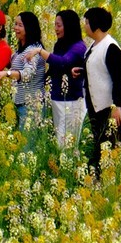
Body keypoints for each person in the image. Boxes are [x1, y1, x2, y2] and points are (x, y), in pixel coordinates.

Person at [27, 9, 86, 150]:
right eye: (55, 25)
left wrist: (40, 51)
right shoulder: (59, 45)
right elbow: (54, 69)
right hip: (56, 98)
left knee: (68, 143)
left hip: (71, 101)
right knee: (59, 141)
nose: (56, 29)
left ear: (69, 26)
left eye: (59, 25)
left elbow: (63, 62)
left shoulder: (79, 47)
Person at [80, 6, 121, 178]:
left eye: (87, 23)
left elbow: (119, 79)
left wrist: (117, 106)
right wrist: (81, 71)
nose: (85, 26)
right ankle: (97, 181)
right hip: (95, 107)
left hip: (108, 108)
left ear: (96, 26)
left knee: (108, 148)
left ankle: (107, 182)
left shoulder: (111, 47)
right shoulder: (94, 46)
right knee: (98, 148)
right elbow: (98, 69)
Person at [0, 11, 46, 139]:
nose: (16, 28)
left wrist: (7, 73)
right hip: (20, 103)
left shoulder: (33, 50)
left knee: (27, 145)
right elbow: (14, 67)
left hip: (30, 105)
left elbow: (27, 74)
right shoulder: (21, 50)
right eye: (15, 24)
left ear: (29, 28)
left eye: (20, 25)